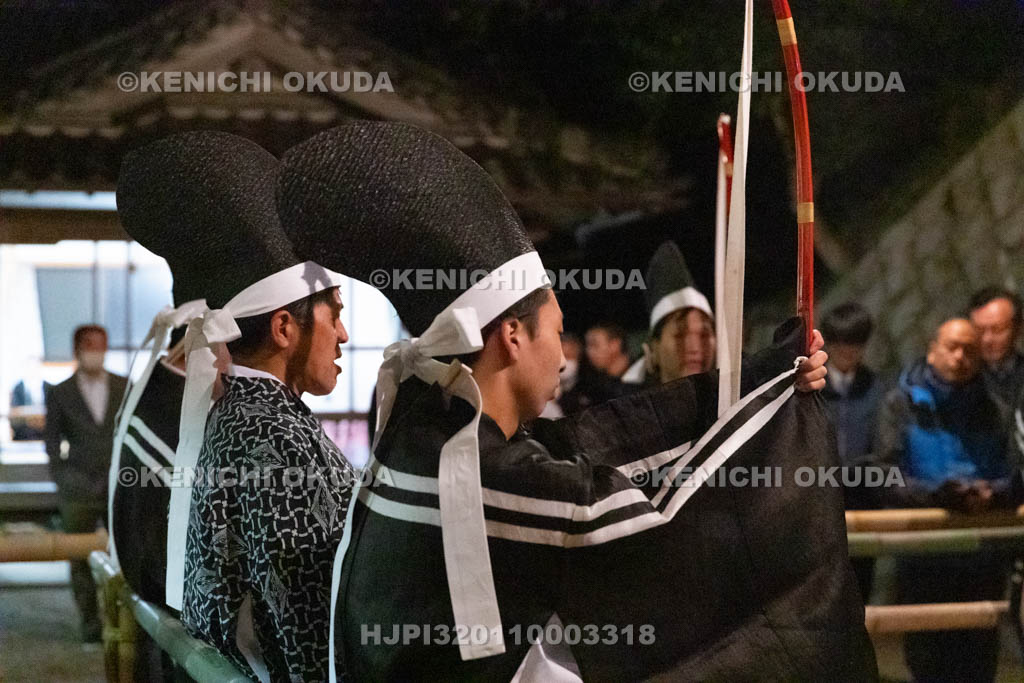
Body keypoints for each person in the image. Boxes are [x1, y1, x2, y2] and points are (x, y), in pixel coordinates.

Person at [276, 121, 874, 681]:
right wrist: (775, 416)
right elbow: (643, 525)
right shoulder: (475, 470)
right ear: (513, 336)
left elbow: (586, 443)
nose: (563, 358)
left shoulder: (425, 428)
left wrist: (761, 380)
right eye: (557, 332)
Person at [117, 131, 353, 682]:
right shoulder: (274, 436)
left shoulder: (243, 416)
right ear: (284, 328)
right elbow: (303, 617)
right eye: (335, 315)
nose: (343, 334)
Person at [877, 318, 1017, 682]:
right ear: (932, 350)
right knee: (927, 661)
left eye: (969, 350)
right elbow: (885, 475)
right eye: (952, 347)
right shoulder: (901, 405)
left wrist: (994, 494)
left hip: (982, 556)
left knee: (979, 662)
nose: (960, 357)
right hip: (923, 555)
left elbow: (1014, 472)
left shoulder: (995, 407)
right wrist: (936, 496)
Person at [44, 324, 128, 642]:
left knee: (124, 552)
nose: (97, 352)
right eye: (91, 345)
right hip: (77, 488)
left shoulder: (124, 386)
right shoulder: (60, 392)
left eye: (102, 345)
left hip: (119, 484)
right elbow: (52, 440)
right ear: (77, 349)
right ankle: (91, 627)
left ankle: (126, 625)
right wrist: (63, 478)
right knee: (78, 558)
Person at [820, 302, 885, 602]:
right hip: (820, 498)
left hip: (865, 500)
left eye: (855, 342)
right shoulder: (812, 388)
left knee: (860, 587)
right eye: (840, 342)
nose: (847, 350)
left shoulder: (877, 389)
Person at [622, 240, 715, 387]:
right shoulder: (631, 401)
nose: (695, 348)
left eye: (704, 335)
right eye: (680, 335)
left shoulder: (742, 397)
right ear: (654, 348)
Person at [968, 286, 1024, 420]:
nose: (987, 339)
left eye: (997, 330)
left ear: (1018, 328)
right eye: (979, 330)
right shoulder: (963, 383)